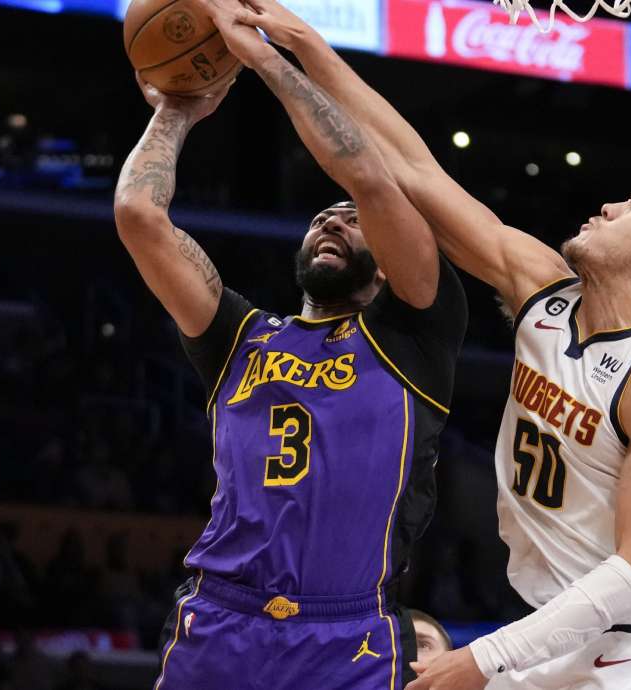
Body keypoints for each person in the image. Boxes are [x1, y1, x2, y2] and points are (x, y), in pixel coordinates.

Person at [209, 2, 631, 688]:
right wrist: (297, 45)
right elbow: (412, 168)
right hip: (550, 631)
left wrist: (484, 657)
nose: (611, 206)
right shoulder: (544, 291)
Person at [112, 17, 467, 688]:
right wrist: (177, 111)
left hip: (348, 631)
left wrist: (271, 66)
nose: (332, 219)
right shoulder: (238, 338)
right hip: (221, 619)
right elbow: (139, 218)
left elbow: (370, 179)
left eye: (349, 219)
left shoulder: (416, 332)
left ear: (388, 262)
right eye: (318, 218)